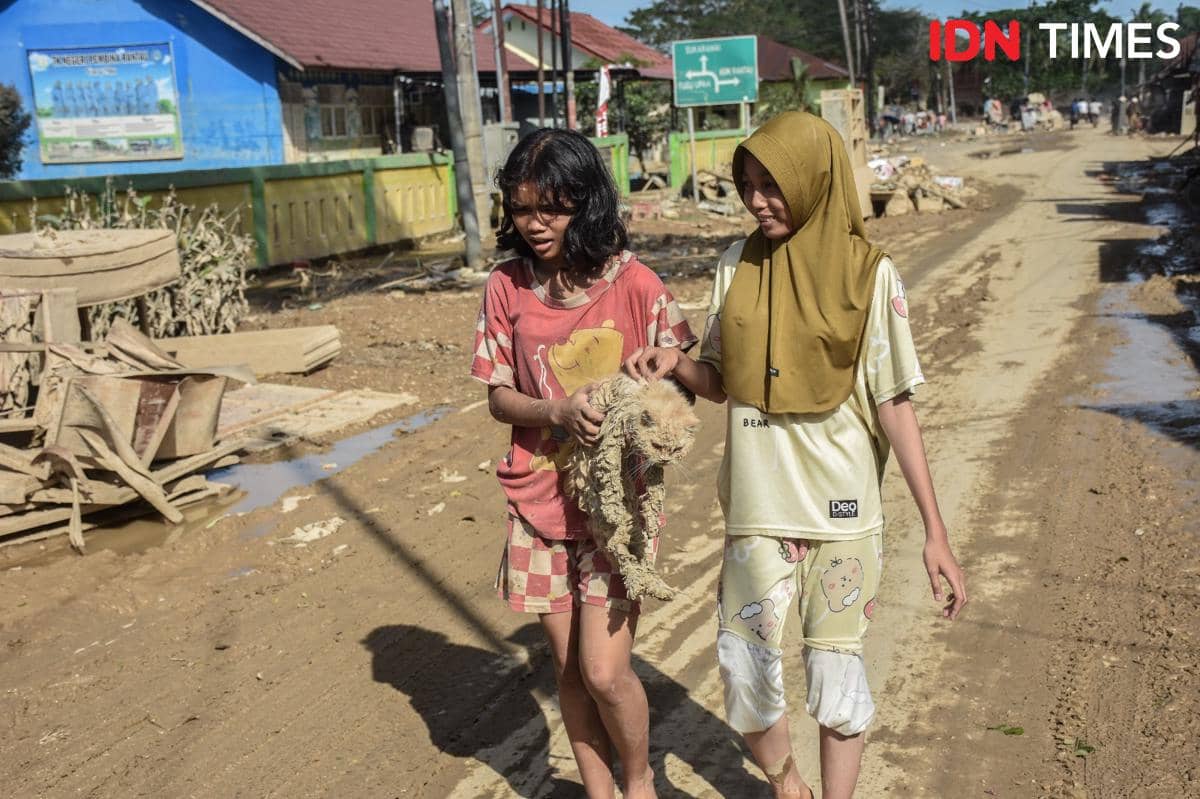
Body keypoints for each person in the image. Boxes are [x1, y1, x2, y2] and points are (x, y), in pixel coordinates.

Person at [623, 112, 967, 799]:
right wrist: (678, 365)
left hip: (842, 515)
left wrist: (937, 532)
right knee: (742, 666)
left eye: (772, 186)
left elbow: (896, 404)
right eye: (748, 185)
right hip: (757, 509)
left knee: (835, 674)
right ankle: (786, 780)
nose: (757, 200)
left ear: (814, 180)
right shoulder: (735, 266)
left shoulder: (872, 275)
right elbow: (721, 381)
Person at [471, 128, 696, 799]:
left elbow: (688, 379)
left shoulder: (637, 284)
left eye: (553, 208)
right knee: (568, 669)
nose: (536, 223)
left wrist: (657, 395)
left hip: (616, 511)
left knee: (603, 670)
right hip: (537, 503)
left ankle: (638, 781)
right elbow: (498, 395)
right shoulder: (506, 285)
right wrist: (557, 413)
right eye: (522, 208)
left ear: (588, 202)